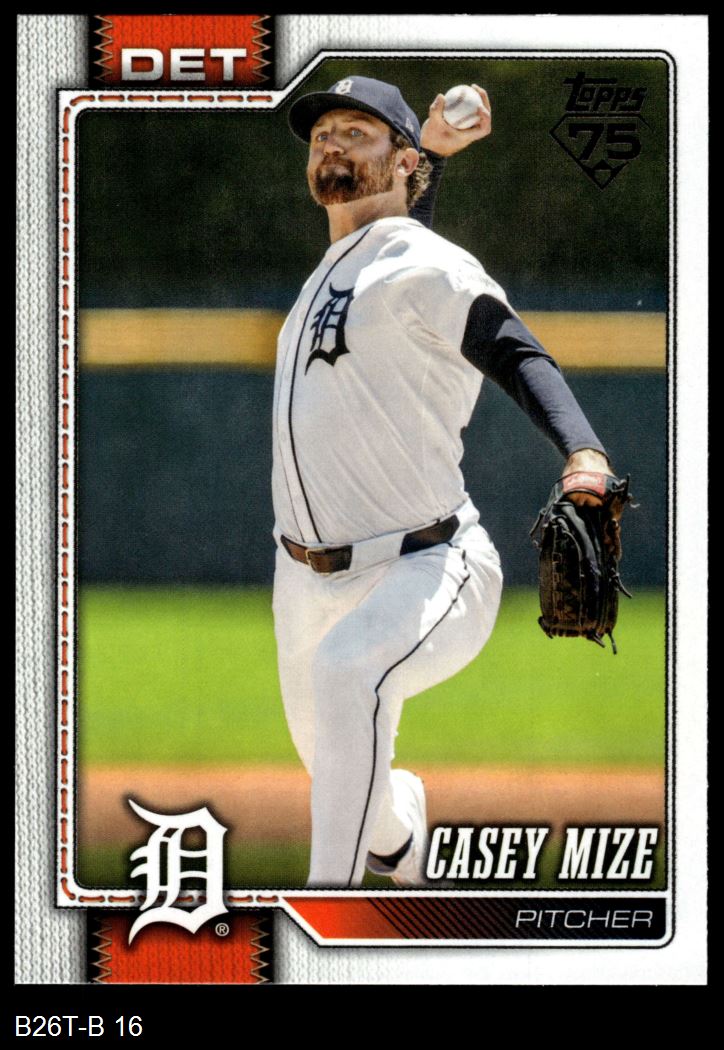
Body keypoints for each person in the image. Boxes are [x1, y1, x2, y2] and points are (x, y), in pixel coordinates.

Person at [272, 76, 611, 888]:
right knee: (339, 763)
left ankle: (326, 917)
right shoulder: (343, 267)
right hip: (305, 580)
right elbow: (390, 252)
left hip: (427, 564)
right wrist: (428, 158)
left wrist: (583, 451)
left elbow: (512, 347)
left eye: (356, 131)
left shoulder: (430, 263)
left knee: (348, 675)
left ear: (402, 162)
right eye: (323, 134)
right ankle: (401, 845)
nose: (332, 142)